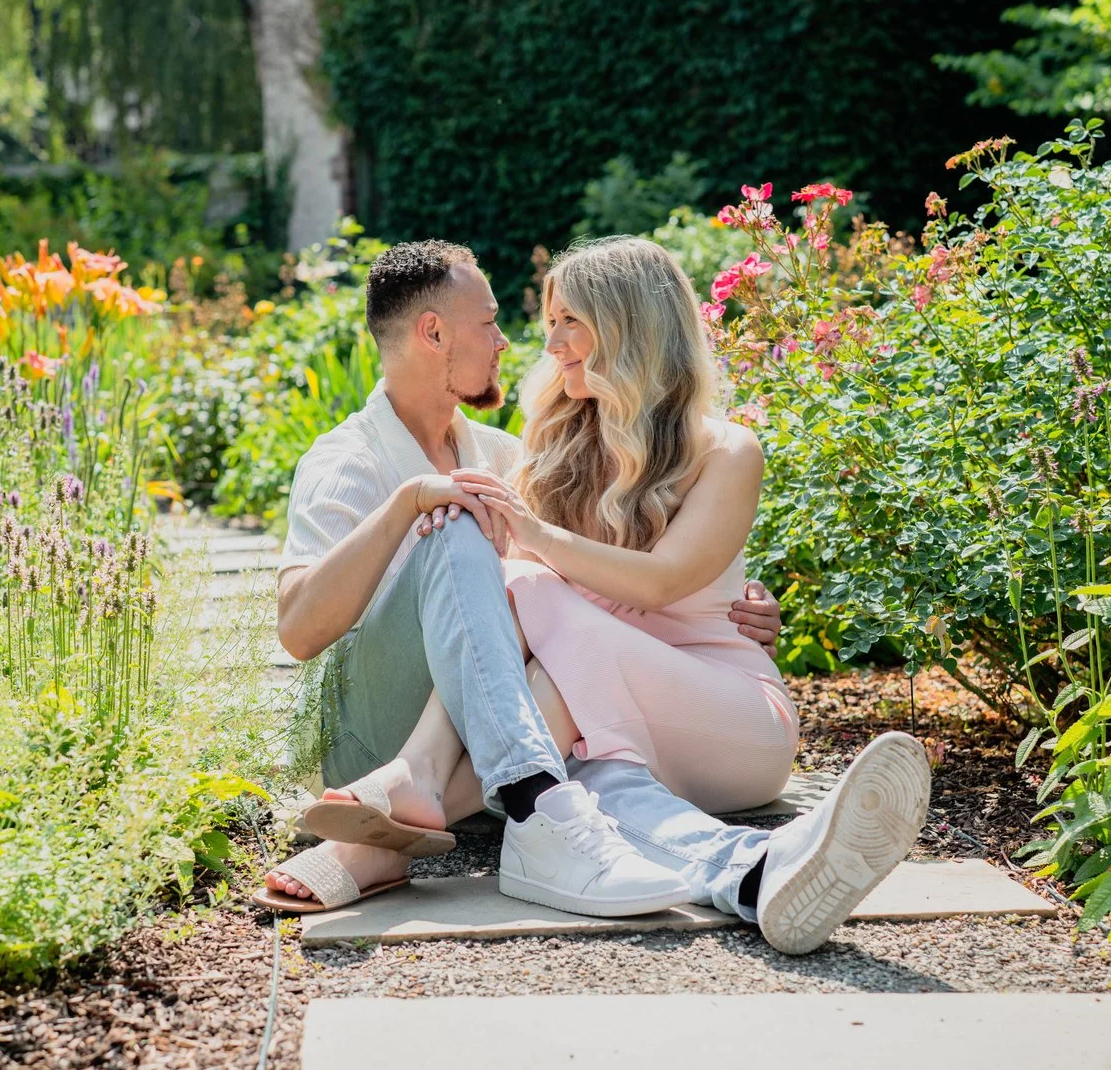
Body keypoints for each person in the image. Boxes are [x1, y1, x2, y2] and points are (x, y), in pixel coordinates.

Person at [255, 237, 931, 955]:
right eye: (534, 321)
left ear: (626, 324)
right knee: (590, 781)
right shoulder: (544, 450)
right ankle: (760, 871)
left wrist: (534, 533)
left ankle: (411, 794)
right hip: (600, 707)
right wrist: (482, 521)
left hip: (717, 705)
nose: (542, 341)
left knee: (530, 599)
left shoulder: (725, 449)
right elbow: (462, 608)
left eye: (566, 320)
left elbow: (655, 582)